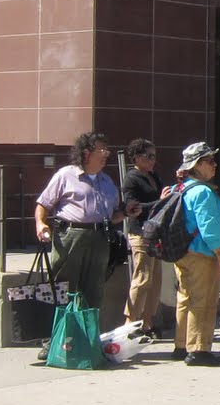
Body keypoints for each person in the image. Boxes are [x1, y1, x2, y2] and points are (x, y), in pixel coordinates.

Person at [34, 132, 139, 359]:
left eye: (107, 150)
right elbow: (43, 203)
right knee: (64, 290)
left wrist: (125, 213)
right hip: (70, 236)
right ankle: (54, 342)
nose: (106, 154)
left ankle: (88, 343)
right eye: (102, 149)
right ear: (86, 152)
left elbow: (110, 216)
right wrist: (40, 223)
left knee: (94, 291)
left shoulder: (107, 181)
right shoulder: (66, 175)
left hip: (100, 238)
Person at [170, 142, 220, 366]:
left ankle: (181, 344)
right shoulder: (203, 192)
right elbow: (210, 227)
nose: (214, 165)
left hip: (182, 252)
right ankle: (198, 349)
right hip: (202, 254)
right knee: (204, 300)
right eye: (209, 161)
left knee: (185, 298)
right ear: (197, 165)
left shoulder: (179, 188)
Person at [121, 138, 166, 338]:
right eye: (149, 156)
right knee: (142, 278)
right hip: (140, 232)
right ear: (136, 157)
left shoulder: (153, 175)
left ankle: (148, 323)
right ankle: (130, 323)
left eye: (155, 156)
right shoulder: (132, 178)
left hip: (156, 232)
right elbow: (134, 207)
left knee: (156, 281)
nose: (153, 160)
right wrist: (160, 200)